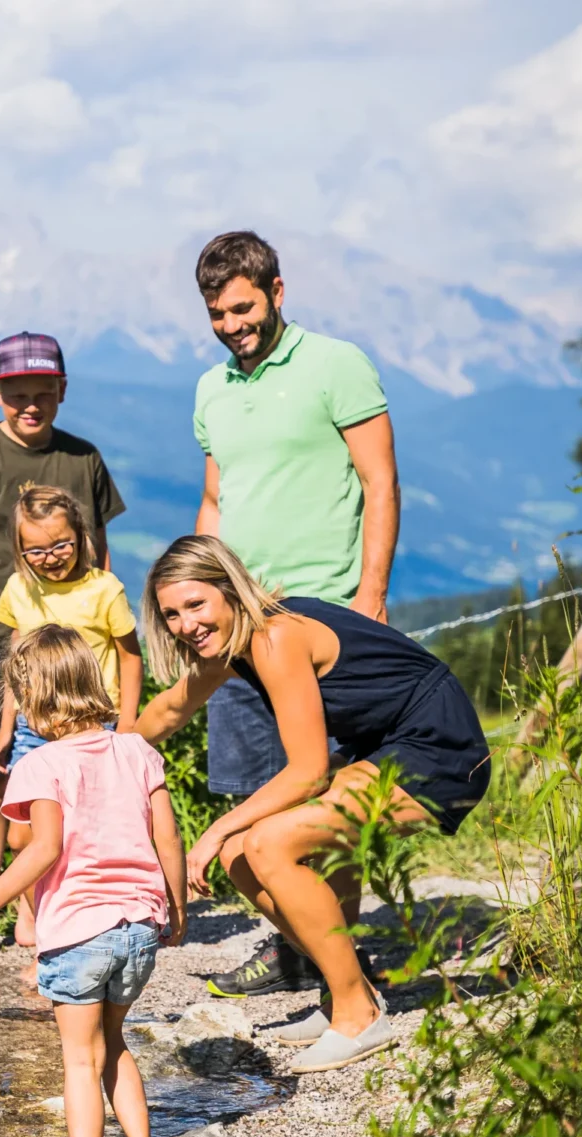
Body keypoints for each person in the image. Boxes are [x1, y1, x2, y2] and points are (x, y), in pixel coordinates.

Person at [134, 536, 489, 1073]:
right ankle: (344, 991)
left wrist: (207, 835)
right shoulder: (232, 644)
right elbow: (166, 712)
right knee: (241, 855)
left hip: (437, 746)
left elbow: (307, 773)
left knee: (267, 842)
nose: (186, 624)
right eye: (172, 614)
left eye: (196, 604)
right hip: (382, 748)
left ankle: (358, 1016)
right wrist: (105, 756)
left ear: (229, 591)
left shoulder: (275, 638)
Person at [190, 230, 403, 1000]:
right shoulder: (211, 388)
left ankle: (340, 969)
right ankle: (294, 947)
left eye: (243, 308)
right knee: (255, 791)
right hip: (241, 625)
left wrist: (370, 598)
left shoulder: (336, 365)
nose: (231, 325)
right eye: (217, 313)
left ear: (278, 292)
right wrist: (197, 604)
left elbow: (379, 482)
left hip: (325, 622)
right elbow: (216, 501)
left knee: (327, 793)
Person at [0, 624, 187, 1137]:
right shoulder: (136, 750)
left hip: (79, 935)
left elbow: (43, 850)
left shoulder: (41, 764)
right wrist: (176, 910)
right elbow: (167, 838)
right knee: (115, 1042)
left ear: (32, 698)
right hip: (139, 930)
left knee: (80, 1061)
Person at [0, 333, 126, 963]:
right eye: (18, 396)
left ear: (63, 391)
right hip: (4, 648)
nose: (31, 406)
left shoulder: (83, 459)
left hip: (76, 660)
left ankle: (51, 908)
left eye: (44, 394)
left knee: (74, 779)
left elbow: (98, 554)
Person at [0, 485, 144, 809]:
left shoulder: (105, 589)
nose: (49, 558)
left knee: (88, 814)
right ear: (19, 550)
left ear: (81, 534)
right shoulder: (18, 589)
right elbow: (16, 668)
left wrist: (128, 724)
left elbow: (130, 658)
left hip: (95, 724)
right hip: (34, 727)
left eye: (61, 544)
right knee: (23, 830)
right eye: (35, 551)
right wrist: (7, 727)